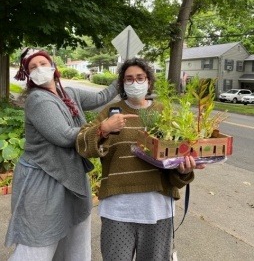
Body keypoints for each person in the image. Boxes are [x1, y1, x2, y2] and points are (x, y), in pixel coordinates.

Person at [76, 58, 204, 261]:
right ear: (122, 83)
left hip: (158, 209)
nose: (134, 83)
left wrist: (184, 171)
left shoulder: (165, 113)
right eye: (129, 79)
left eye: (140, 78)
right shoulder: (110, 112)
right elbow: (82, 144)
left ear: (149, 81)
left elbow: (176, 161)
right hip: (118, 210)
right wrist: (104, 129)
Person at [5, 48, 119, 261]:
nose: (39, 69)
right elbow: (64, 136)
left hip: (69, 174)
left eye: (42, 63)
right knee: (39, 242)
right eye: (33, 67)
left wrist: (121, 79)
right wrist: (102, 129)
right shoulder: (38, 100)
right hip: (43, 179)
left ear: (53, 65)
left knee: (75, 236)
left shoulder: (69, 94)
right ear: (27, 75)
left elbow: (101, 97)